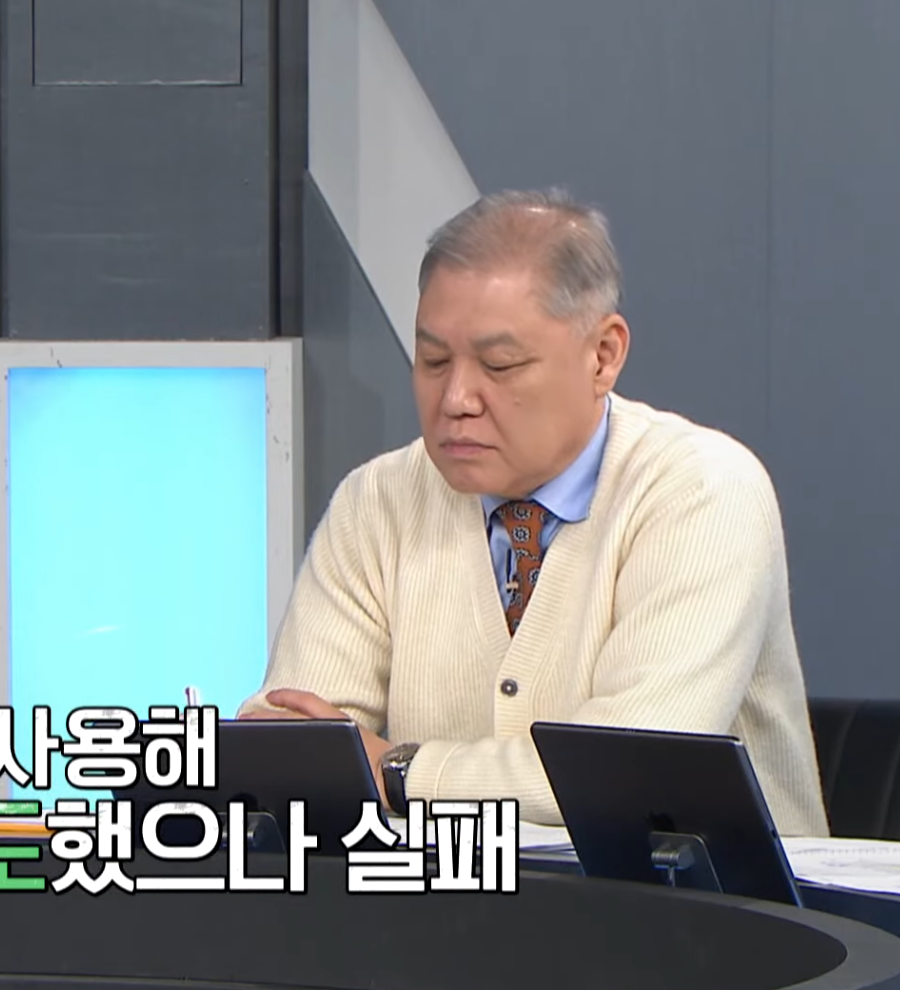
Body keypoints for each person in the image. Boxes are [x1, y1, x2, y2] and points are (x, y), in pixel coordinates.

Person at [240, 188, 828, 836]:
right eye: (433, 360)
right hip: (457, 895)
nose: (456, 398)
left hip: (702, 898)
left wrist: (403, 773)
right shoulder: (376, 501)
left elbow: (630, 773)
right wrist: (325, 763)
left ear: (603, 355)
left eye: (500, 365)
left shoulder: (701, 490)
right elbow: (294, 747)